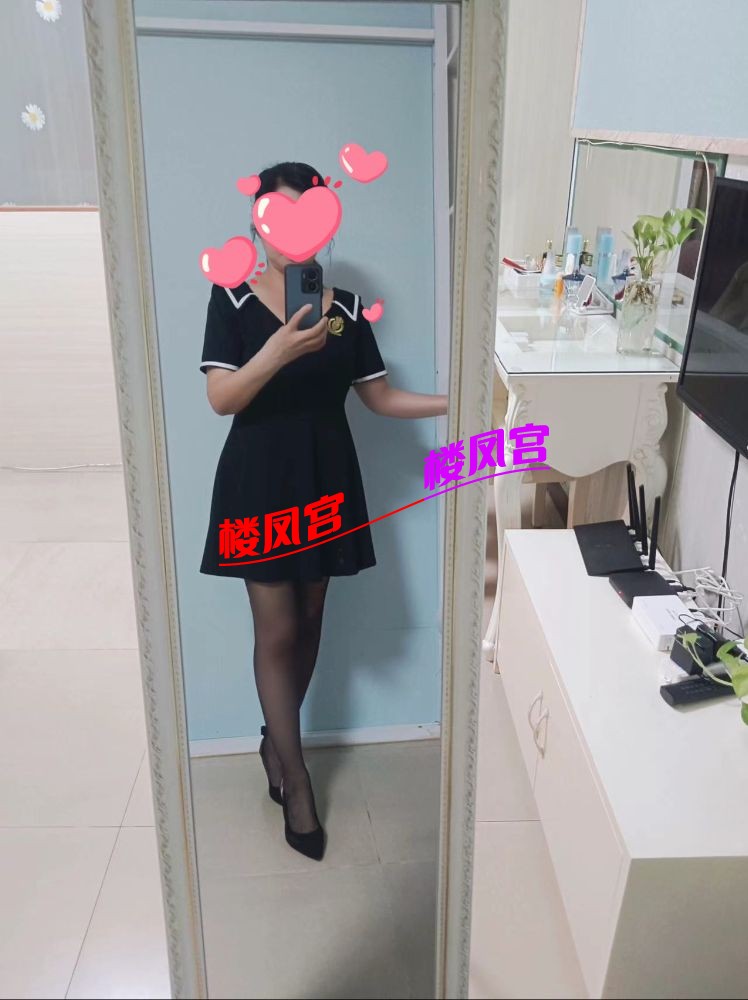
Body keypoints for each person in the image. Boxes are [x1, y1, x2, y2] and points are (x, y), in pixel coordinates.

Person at [199, 161, 447, 860]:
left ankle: (273, 742)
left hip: (327, 483)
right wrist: (277, 351)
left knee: (309, 622)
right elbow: (221, 398)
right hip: (258, 483)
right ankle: (297, 776)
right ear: (257, 225)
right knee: (276, 629)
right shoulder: (233, 297)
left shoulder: (345, 310)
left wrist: (457, 400)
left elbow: (380, 398)